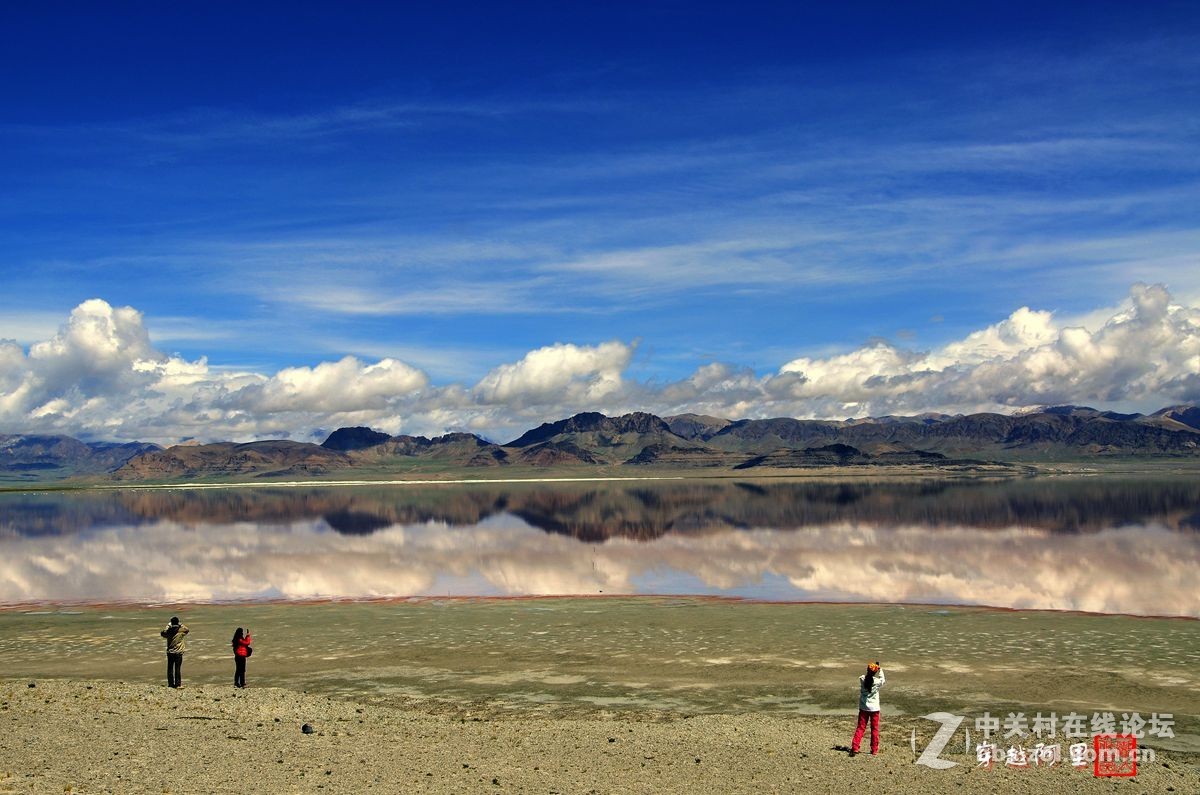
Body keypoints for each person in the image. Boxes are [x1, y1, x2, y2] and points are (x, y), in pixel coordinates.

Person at [850, 661, 884, 756]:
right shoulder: (877, 682)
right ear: (875, 672)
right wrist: (880, 669)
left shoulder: (862, 679)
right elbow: (882, 679)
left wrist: (874, 669)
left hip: (864, 707)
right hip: (874, 708)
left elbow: (864, 677)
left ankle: (855, 747)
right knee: (874, 729)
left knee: (860, 728)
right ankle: (874, 750)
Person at [160, 616, 189, 688]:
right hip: (178, 652)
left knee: (170, 668)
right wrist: (181, 624)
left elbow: (162, 633)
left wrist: (168, 626)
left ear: (171, 623)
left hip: (170, 652)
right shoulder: (181, 631)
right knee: (177, 668)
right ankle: (178, 684)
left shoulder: (168, 632)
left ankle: (170, 684)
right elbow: (187, 630)